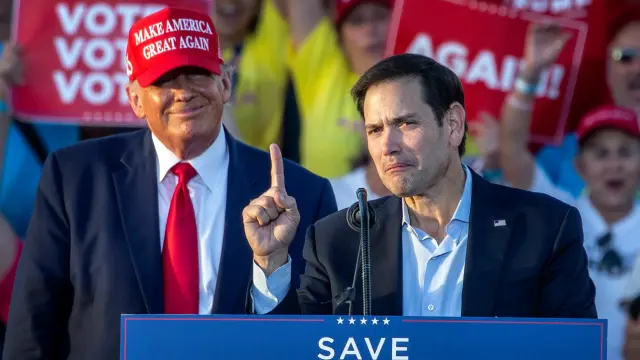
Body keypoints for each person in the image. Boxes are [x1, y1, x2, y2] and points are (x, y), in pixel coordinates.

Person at [2, 8, 337, 360]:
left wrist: (272, 272)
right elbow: (33, 328)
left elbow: (319, 338)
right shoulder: (74, 179)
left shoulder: (301, 194)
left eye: (197, 74)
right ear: (135, 100)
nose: (183, 92)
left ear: (224, 83)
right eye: (164, 80)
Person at [243, 53, 597, 318]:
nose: (388, 145)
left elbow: (571, 349)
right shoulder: (337, 240)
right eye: (375, 130)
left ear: (454, 125)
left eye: (406, 123)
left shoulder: (545, 229)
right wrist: (270, 261)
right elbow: (296, 347)